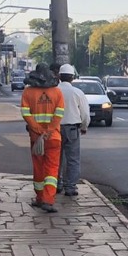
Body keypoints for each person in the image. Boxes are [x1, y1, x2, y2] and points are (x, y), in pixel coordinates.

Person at [21, 63, 64, 212]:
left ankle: (39, 198)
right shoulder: (57, 92)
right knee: (52, 169)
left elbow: (25, 113)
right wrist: (49, 130)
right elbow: (59, 114)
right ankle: (48, 200)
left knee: (38, 168)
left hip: (36, 139)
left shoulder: (28, 92)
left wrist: (38, 130)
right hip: (53, 137)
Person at [56, 64, 90, 196]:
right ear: (72, 78)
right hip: (71, 129)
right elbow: (85, 114)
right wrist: (84, 127)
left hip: (55, 128)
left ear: (59, 76)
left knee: (55, 158)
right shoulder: (77, 92)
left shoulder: (53, 91)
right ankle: (70, 187)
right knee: (72, 159)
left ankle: (56, 184)